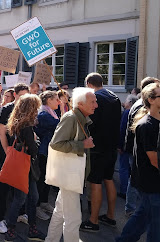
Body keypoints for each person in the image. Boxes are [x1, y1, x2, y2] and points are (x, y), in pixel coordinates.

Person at [45, 87, 97, 242]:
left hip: (71, 175)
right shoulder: (71, 118)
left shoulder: (78, 118)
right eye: (93, 102)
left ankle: (51, 240)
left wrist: (83, 144)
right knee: (73, 218)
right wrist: (83, 145)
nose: (96, 105)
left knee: (60, 212)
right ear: (80, 104)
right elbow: (56, 144)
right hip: (70, 176)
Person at [116, 82, 160, 242]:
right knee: (156, 223)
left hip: (150, 181)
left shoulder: (156, 121)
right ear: (151, 99)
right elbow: (154, 158)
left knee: (143, 216)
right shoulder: (146, 125)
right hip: (150, 181)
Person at [81, 72, 121, 232]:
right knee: (108, 179)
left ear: (89, 84)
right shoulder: (114, 96)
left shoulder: (96, 98)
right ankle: (110, 216)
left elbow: (91, 122)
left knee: (96, 182)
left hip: (98, 147)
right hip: (111, 146)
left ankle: (93, 220)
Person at [4, 94, 46, 242]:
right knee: (21, 198)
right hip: (26, 166)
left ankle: (30, 228)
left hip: (23, 166)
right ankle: (11, 230)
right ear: (31, 108)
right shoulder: (27, 126)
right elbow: (34, 149)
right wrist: (36, 140)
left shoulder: (18, 123)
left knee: (31, 197)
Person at [0, 83, 29, 234]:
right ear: (15, 95)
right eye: (21, 96)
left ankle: (19, 214)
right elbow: (2, 133)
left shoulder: (26, 110)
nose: (23, 99)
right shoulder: (6, 109)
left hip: (21, 154)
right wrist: (6, 150)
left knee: (19, 185)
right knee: (3, 187)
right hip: (7, 153)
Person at [124, 77, 159, 217]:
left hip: (138, 150)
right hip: (140, 152)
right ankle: (130, 207)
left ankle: (132, 208)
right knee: (135, 180)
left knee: (145, 211)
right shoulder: (144, 115)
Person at [34, 91, 60, 220]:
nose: (59, 102)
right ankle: (37, 206)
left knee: (48, 178)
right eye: (56, 99)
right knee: (42, 178)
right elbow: (60, 125)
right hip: (43, 151)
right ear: (49, 100)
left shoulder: (51, 112)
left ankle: (44, 202)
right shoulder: (44, 114)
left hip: (50, 150)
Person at [117, 94, 138, 200]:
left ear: (130, 102)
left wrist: (120, 145)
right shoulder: (138, 111)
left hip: (126, 146)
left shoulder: (127, 112)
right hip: (134, 146)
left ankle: (124, 191)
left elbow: (123, 130)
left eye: (126, 101)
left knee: (124, 168)